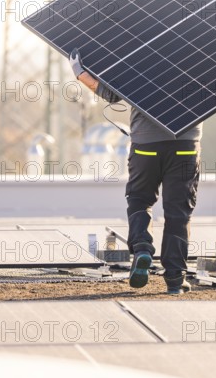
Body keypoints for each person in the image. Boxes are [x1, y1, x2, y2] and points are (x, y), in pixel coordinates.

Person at [69, 48, 203, 294]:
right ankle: (175, 280)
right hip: (185, 144)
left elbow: (108, 94)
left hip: (146, 146)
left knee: (140, 200)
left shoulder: (137, 56)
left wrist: (79, 72)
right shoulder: (198, 56)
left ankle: (142, 248)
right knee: (178, 213)